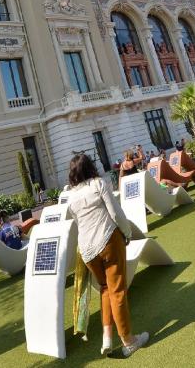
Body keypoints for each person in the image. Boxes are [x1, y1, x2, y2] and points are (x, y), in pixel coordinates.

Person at [65, 153, 149, 357]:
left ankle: (107, 338)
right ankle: (129, 341)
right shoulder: (98, 184)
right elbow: (115, 212)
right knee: (117, 290)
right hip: (108, 241)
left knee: (105, 289)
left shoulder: (70, 195)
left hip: (87, 251)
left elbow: (78, 222)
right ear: (90, 167)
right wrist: (127, 233)